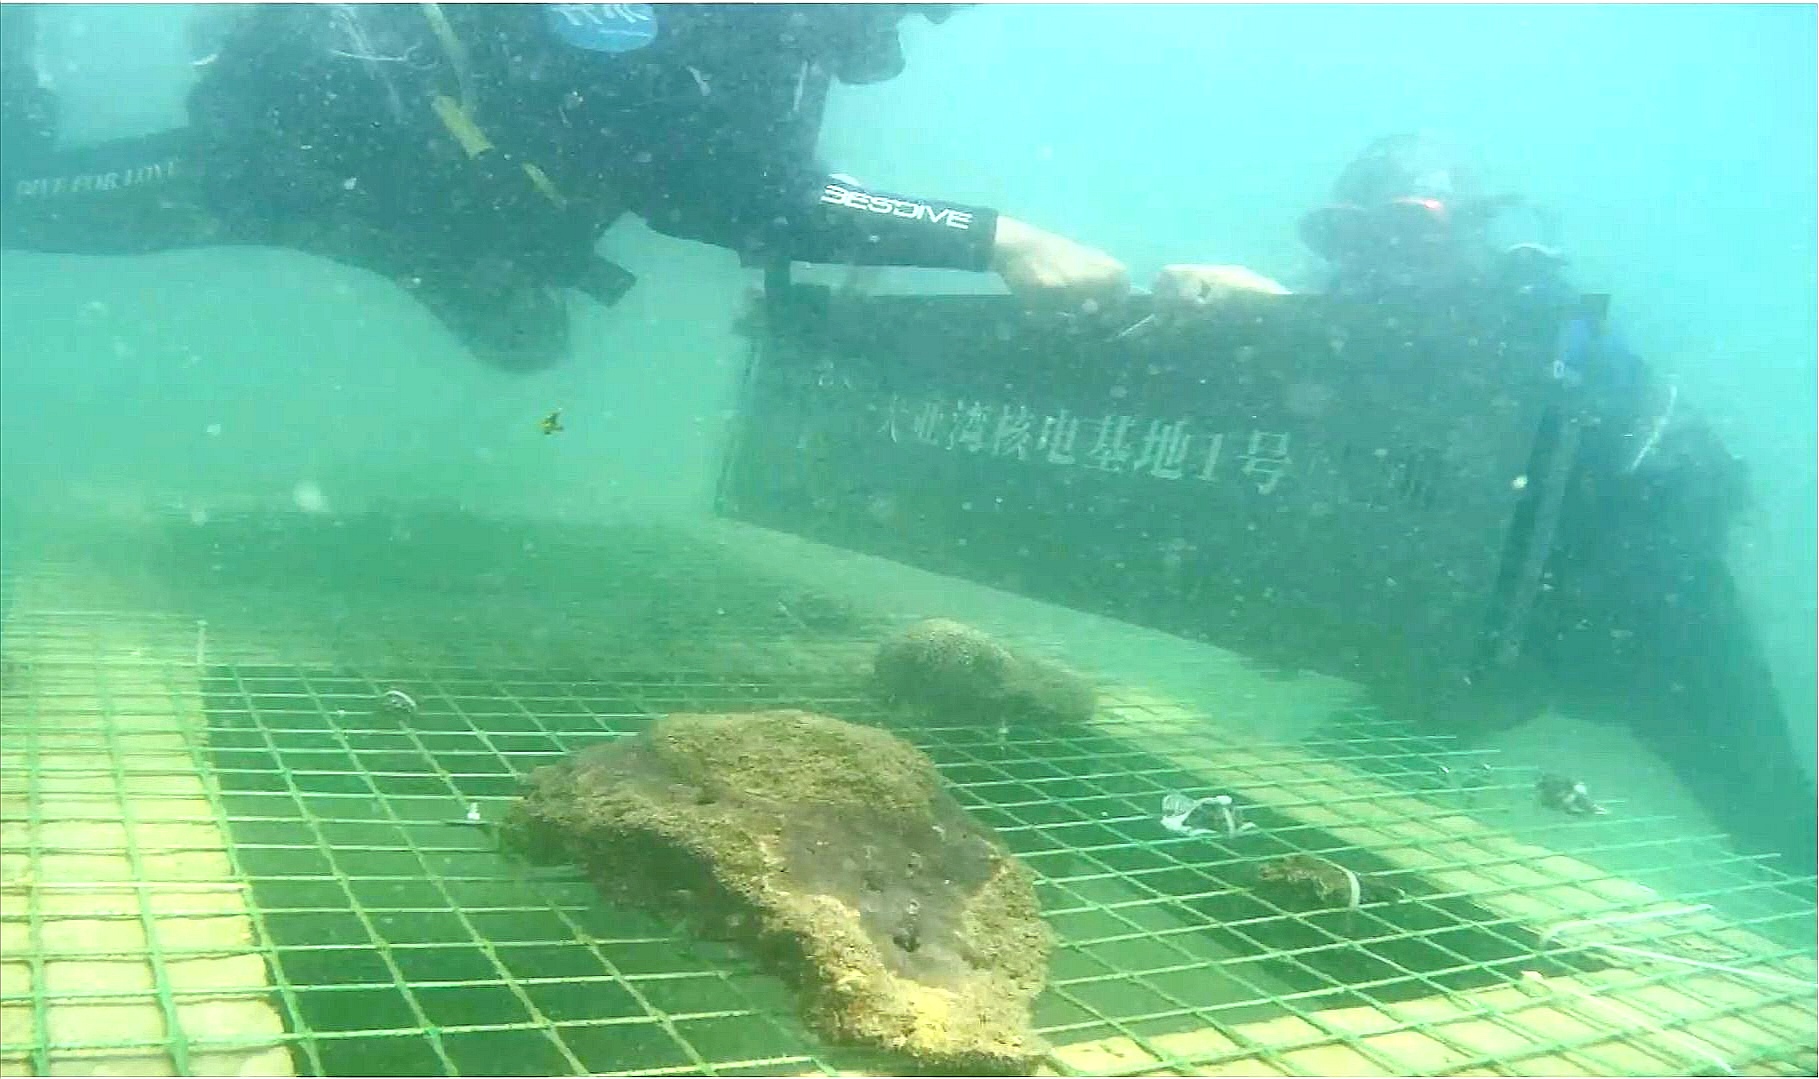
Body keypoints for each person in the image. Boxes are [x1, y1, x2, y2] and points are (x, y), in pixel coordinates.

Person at [1, 4, 1270, 372]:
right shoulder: (732, 19)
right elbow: (732, 190)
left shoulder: (768, 39)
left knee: (530, 353)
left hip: (445, 213)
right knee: (15, 197)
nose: (906, 29)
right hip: (293, 161)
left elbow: (736, 172)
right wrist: (1000, 237)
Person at [1289, 132, 1816, 872]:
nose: (1382, 259)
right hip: (1491, 619)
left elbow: (1594, 425)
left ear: (1472, 234)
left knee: (1772, 818)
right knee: (1319, 799)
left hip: (1652, 613)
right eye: (1353, 235)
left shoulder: (1542, 317)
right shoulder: (1339, 328)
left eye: (1411, 231)